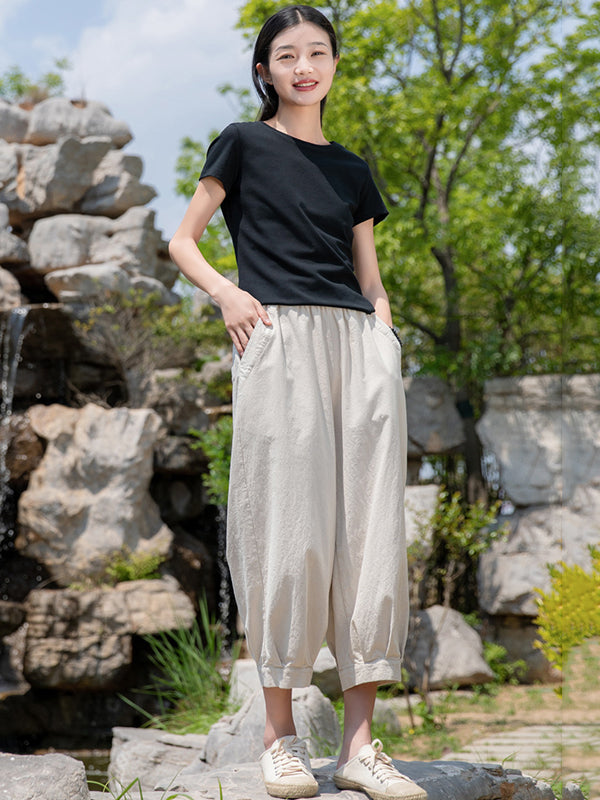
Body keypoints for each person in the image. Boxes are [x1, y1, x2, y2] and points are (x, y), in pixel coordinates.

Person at [169, 5, 427, 799]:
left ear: (334, 65)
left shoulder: (352, 169)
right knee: (285, 526)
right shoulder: (243, 144)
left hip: (359, 346)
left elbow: (369, 275)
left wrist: (384, 339)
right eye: (287, 55)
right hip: (278, 337)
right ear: (265, 70)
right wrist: (226, 294)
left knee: (370, 534)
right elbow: (182, 239)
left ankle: (359, 748)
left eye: (317, 53)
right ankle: (279, 740)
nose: (304, 66)